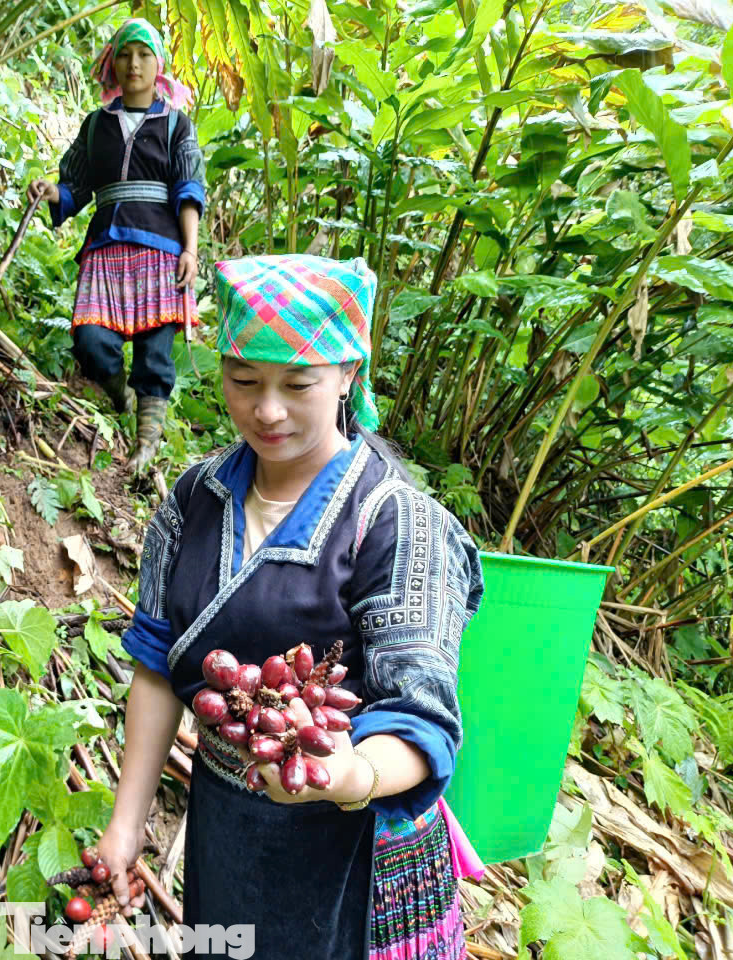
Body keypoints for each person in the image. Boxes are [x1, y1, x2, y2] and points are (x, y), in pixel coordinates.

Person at [101, 255, 486, 959]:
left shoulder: (398, 523)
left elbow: (422, 715)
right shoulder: (193, 501)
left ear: (347, 375)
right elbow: (159, 664)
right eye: (243, 381)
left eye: (298, 383)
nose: (266, 409)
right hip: (229, 828)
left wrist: (349, 775)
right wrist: (127, 825)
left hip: (354, 849)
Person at [27, 19, 205, 475]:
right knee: (90, 339)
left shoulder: (176, 125)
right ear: (113, 62)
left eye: (144, 55)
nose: (134, 64)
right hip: (105, 248)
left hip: (161, 251)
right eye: (126, 54)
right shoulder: (96, 125)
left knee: (155, 351)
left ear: (158, 64)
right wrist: (53, 193)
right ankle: (118, 394)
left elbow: (188, 191)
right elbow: (75, 187)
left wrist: (190, 249)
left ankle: (145, 443)